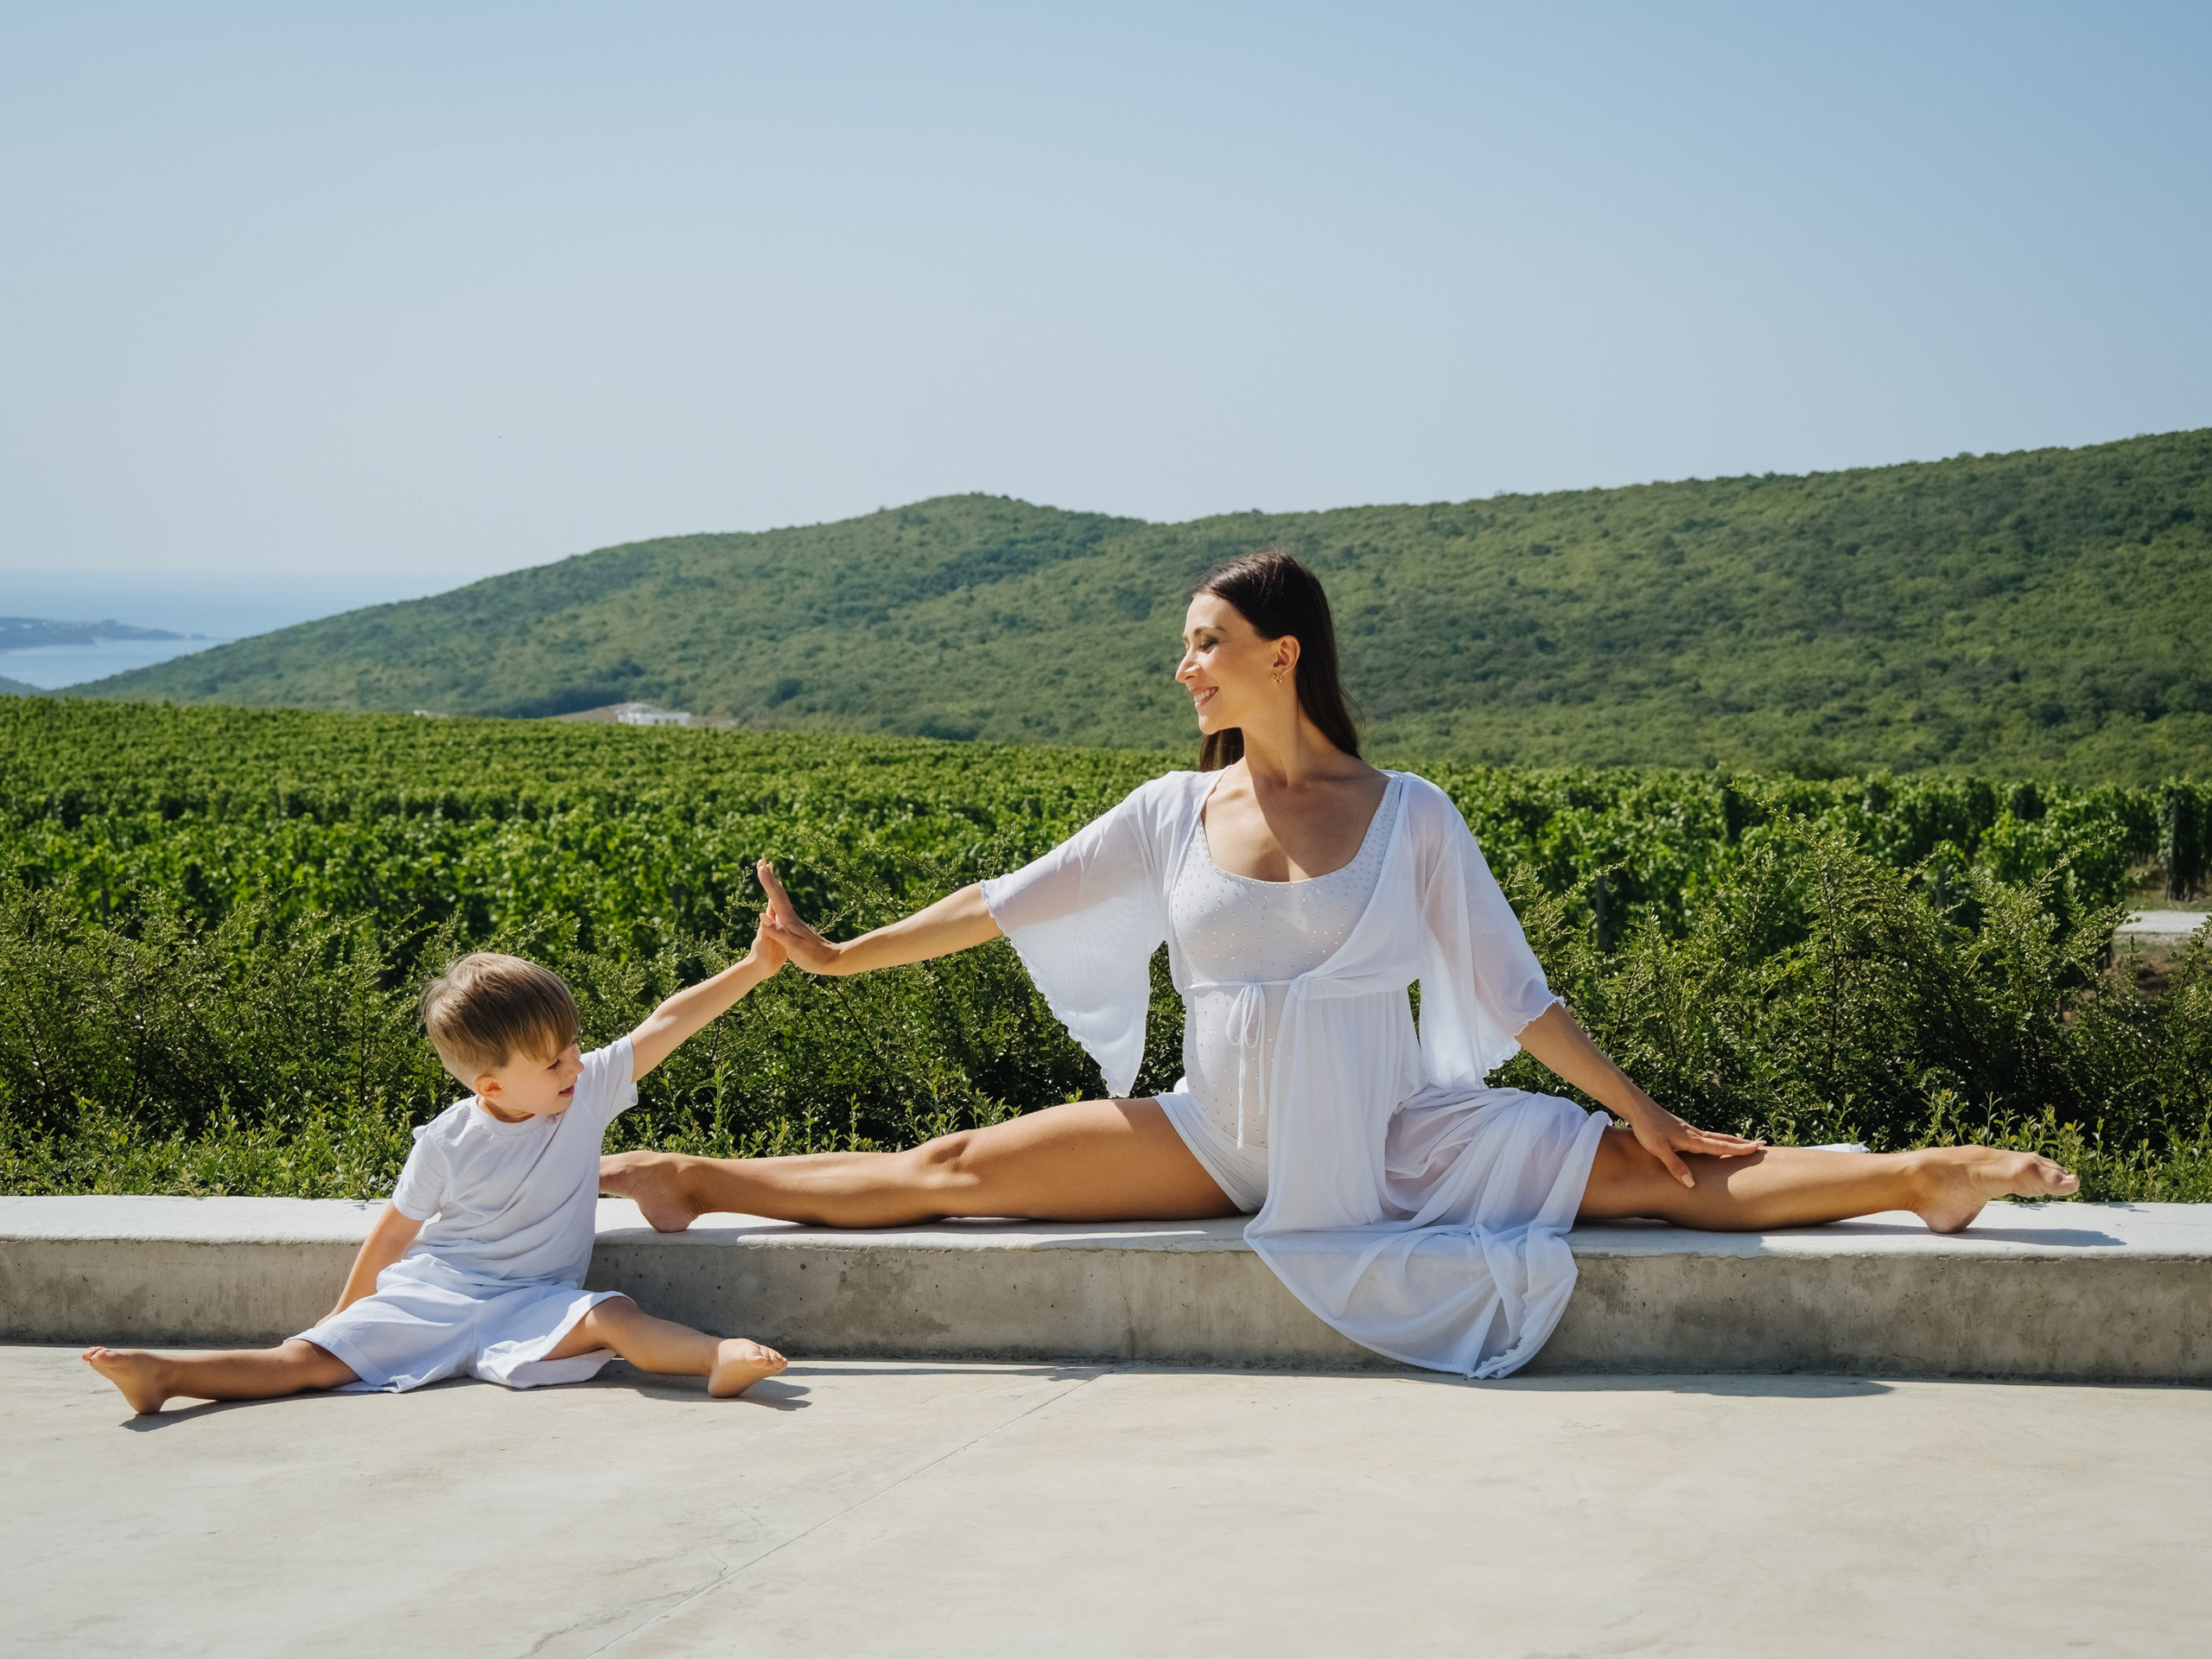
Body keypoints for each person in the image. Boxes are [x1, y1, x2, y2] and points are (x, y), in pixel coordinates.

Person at [601, 550, 2078, 1377]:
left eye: (1206, 640)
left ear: (1283, 652)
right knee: (957, 1164)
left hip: (1386, 1140)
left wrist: (1644, 1106)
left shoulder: (1409, 816)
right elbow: (1010, 898)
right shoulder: (1174, 809)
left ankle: (1917, 1174)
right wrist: (845, 956)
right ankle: (693, 1181)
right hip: (1214, 1130)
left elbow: (1517, 997)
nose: (1185, 665)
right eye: (1186, 645)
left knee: (1658, 1178)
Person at [84, 945, 791, 1414]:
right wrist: (343, 1313)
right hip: (436, 1295)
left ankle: (717, 1357)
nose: (575, 1064)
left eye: (575, 1045)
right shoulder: (449, 1141)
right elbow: (396, 1230)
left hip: (537, 1301)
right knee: (304, 1362)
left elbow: (669, 1020)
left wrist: (757, 965)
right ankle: (167, 1376)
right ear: (489, 1083)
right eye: (553, 1061)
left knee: (614, 1316)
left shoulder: (589, 1086)